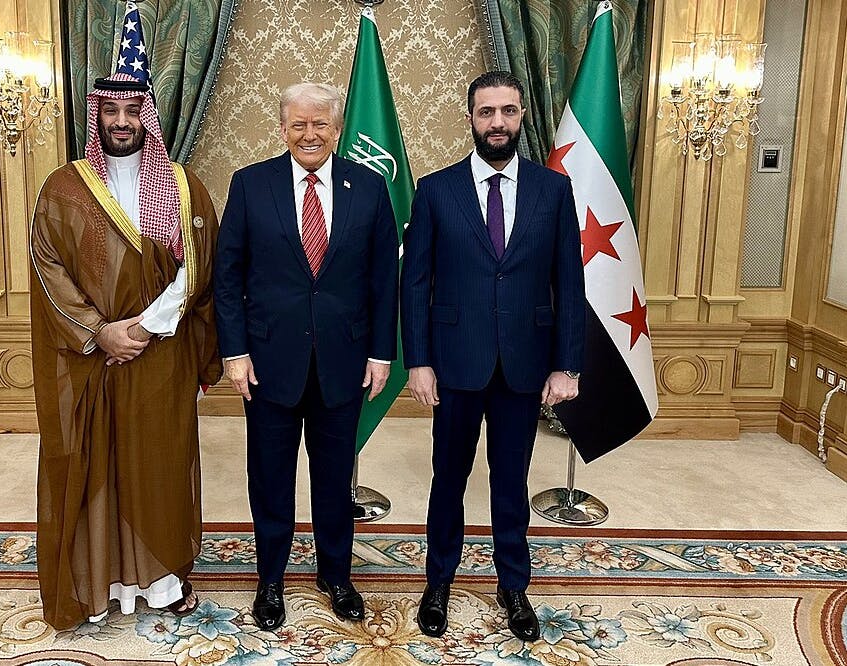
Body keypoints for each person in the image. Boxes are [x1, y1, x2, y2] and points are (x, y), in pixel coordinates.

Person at [28, 50, 221, 628]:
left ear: (148, 116)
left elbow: (200, 266)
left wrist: (143, 327)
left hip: (160, 356)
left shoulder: (185, 186)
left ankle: (160, 580)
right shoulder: (63, 187)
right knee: (93, 463)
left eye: (131, 110)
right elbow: (47, 266)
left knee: (157, 463)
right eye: (109, 110)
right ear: (96, 117)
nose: (119, 121)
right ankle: (97, 582)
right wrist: (100, 331)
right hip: (89, 359)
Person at [401, 71, 584, 642]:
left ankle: (514, 586)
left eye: (507, 111)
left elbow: (569, 283)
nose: (497, 123)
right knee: (447, 479)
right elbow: (415, 282)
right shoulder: (435, 190)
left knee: (512, 480)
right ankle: (438, 584)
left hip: (524, 364)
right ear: (471, 119)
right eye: (486, 113)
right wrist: (419, 361)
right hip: (455, 362)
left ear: (522, 115)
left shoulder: (553, 190)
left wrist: (567, 363)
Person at [213, 82, 399, 630]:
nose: (310, 134)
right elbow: (228, 278)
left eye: (320, 124)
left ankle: (336, 575)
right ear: (282, 129)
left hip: (343, 360)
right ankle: (270, 578)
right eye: (299, 124)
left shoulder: (368, 187)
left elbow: (384, 277)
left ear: (337, 129)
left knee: (335, 475)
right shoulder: (250, 185)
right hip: (268, 361)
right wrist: (235, 352)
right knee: (270, 475)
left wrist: (382, 353)